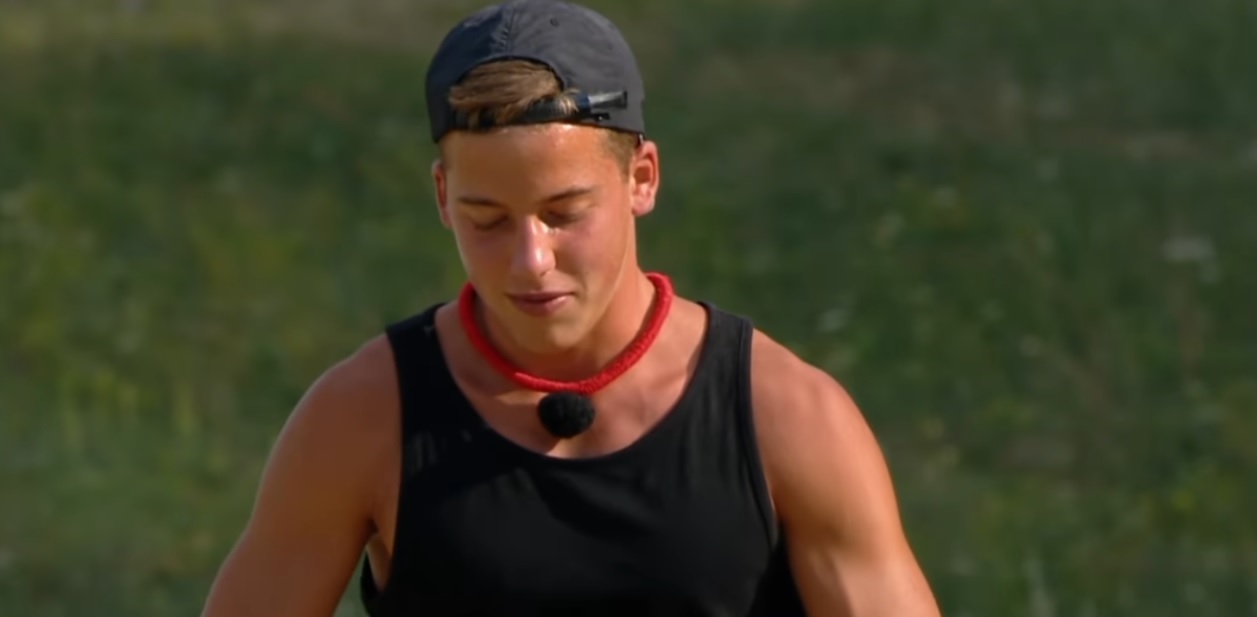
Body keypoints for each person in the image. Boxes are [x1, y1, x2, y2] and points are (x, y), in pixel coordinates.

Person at [199, 1, 942, 615]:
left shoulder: (788, 420)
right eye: (487, 219)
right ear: (442, 197)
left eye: (564, 214)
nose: (531, 260)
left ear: (641, 178)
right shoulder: (362, 419)